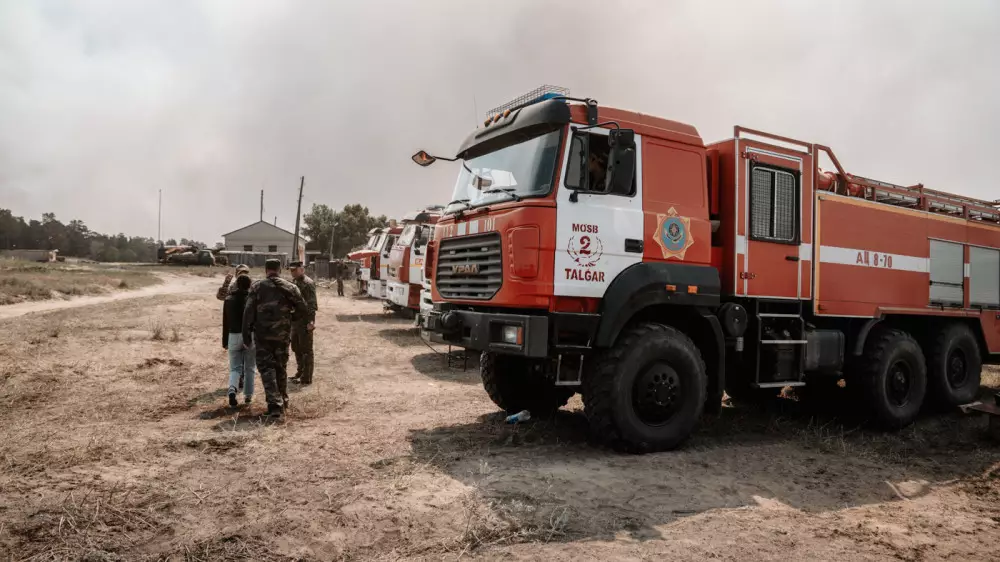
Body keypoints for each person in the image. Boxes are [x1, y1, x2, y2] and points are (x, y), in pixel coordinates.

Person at [242, 259, 306, 419]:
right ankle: (283, 401)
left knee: (266, 369)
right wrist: (289, 319)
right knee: (280, 367)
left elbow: (248, 312)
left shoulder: (257, 287)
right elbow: (303, 308)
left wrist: (246, 335)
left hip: (263, 336)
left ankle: (275, 406)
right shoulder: (290, 287)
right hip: (282, 335)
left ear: (266, 270)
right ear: (279, 269)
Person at [222, 274, 255, 407]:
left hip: (233, 335)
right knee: (250, 368)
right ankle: (248, 396)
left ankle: (232, 389)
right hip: (249, 335)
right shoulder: (252, 299)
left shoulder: (229, 299)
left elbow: (225, 322)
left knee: (235, 367)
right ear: (249, 285)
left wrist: (225, 341)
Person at [288, 260, 318, 385]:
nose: (292, 272)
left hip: (304, 321)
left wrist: (310, 322)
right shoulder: (295, 282)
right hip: (295, 321)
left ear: (302, 269)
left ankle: (306, 378)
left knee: (306, 350)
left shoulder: (308, 283)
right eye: (291, 270)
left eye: (295, 270)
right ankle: (300, 372)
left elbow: (312, 305)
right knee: (296, 347)